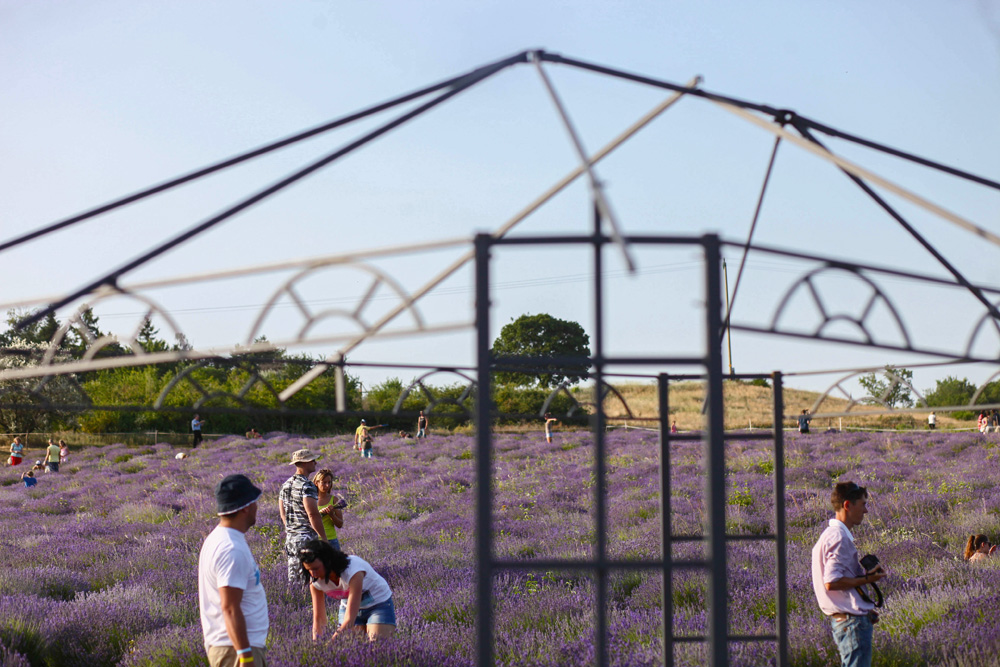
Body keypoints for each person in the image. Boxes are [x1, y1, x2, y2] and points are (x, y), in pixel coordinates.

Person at [811, 481, 887, 667]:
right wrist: (869, 579)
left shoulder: (831, 535)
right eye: (863, 504)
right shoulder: (838, 537)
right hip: (852, 624)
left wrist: (863, 607)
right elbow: (832, 582)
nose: (866, 511)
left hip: (849, 620)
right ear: (847, 505)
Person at [198, 474, 268, 667]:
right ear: (245, 507)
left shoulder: (220, 539)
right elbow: (229, 607)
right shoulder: (231, 548)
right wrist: (245, 656)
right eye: (255, 502)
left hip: (233, 647)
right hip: (236, 651)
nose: (257, 507)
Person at [296, 540, 396, 642]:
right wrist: (316, 645)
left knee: (377, 646)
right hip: (348, 606)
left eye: (316, 568)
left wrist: (331, 642)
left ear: (328, 561)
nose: (313, 574)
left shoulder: (353, 571)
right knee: (352, 649)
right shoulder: (315, 582)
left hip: (378, 605)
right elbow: (319, 619)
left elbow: (349, 620)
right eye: (309, 569)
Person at [279, 449, 328, 583]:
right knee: (310, 580)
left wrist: (291, 530)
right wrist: (323, 538)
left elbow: (283, 514)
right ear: (305, 463)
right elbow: (312, 514)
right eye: (312, 460)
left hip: (291, 538)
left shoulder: (285, 485)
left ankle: (294, 603)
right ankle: (308, 603)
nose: (315, 463)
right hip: (306, 538)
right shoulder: (307, 486)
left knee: (294, 580)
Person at [313, 468, 345, 551]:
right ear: (316, 483)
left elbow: (340, 524)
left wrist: (331, 515)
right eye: (324, 482)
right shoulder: (310, 500)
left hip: (332, 541)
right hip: (315, 542)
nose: (327, 485)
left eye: (329, 482)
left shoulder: (334, 500)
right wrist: (318, 514)